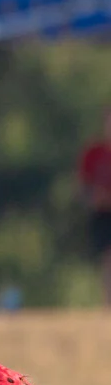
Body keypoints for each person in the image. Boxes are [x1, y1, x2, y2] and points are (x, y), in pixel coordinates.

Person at [78, 107, 111, 304]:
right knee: (108, 259)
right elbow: (83, 186)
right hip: (102, 216)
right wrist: (94, 199)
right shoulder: (93, 153)